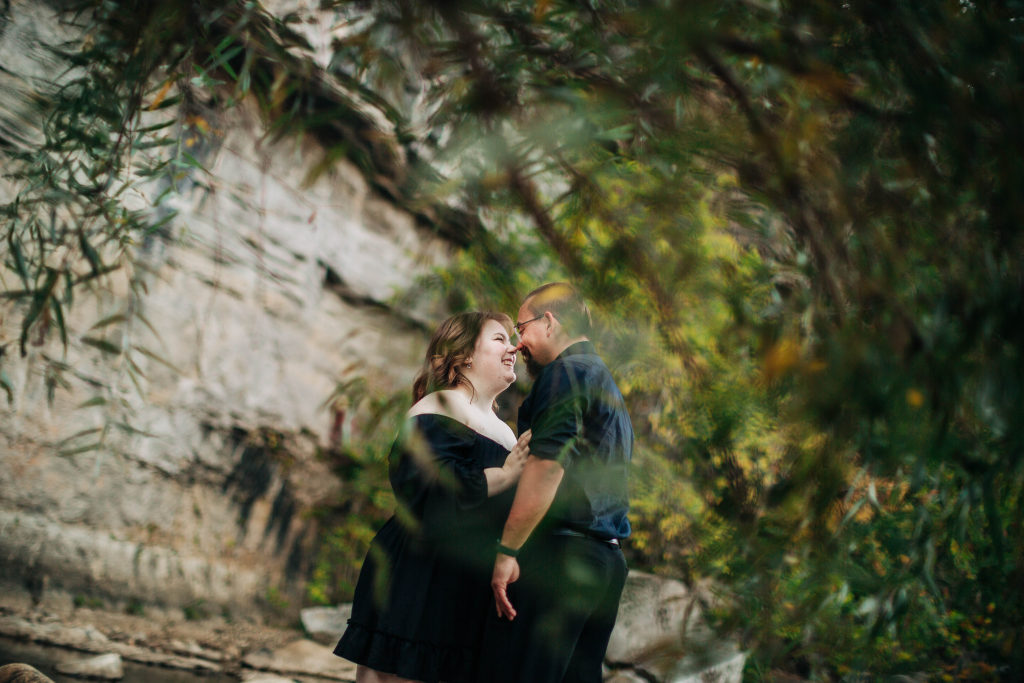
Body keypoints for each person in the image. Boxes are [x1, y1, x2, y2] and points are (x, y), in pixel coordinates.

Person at [333, 311, 531, 683]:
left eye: (513, 340)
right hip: (420, 573)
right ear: (465, 355)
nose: (514, 347)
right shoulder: (440, 406)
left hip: (465, 584)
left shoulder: (506, 432)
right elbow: (423, 488)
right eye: (500, 339)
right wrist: (504, 476)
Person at [481, 283, 633, 683]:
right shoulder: (603, 380)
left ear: (549, 322)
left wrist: (506, 551)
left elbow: (547, 468)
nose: (517, 344)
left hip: (562, 560)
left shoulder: (564, 373)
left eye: (521, 329)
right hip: (606, 563)